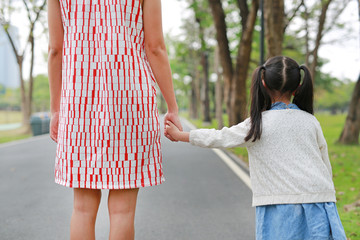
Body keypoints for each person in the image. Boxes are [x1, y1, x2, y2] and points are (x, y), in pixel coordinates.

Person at [165, 56, 346, 240]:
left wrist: (182, 136)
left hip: (279, 203)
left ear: (263, 83)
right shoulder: (311, 121)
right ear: (298, 86)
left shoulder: (257, 124)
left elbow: (220, 137)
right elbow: (324, 163)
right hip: (319, 201)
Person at [47, 0, 182, 239]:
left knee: (82, 208)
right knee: (123, 211)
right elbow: (155, 47)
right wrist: (172, 107)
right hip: (130, 103)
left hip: (79, 104)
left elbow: (55, 50)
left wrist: (56, 110)